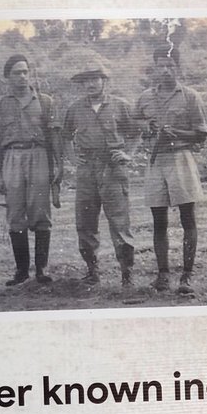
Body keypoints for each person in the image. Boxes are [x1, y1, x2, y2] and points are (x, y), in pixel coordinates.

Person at [134, 44, 207, 295]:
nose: (165, 71)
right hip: (157, 162)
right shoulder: (145, 97)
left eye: (170, 66)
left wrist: (176, 133)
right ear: (154, 68)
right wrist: (148, 128)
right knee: (159, 221)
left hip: (180, 158)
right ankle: (163, 274)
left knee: (188, 218)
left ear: (177, 68)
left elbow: (201, 134)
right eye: (160, 66)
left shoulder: (190, 96)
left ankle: (187, 275)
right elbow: (137, 126)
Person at [62, 62, 140, 287]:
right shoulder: (75, 108)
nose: (90, 84)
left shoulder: (120, 106)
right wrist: (72, 158)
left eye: (95, 79)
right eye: (85, 80)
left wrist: (128, 154)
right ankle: (92, 271)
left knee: (119, 222)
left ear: (104, 81)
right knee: (85, 221)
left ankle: (127, 274)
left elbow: (136, 133)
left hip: (113, 169)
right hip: (87, 169)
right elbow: (65, 136)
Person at [0, 54, 61, 285]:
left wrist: (57, 167)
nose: (22, 77)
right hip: (12, 157)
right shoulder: (1, 105)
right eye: (16, 73)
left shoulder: (45, 101)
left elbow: (53, 137)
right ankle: (21, 270)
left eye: (25, 72)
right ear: (7, 77)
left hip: (38, 155)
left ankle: (41, 269)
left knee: (41, 212)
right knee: (15, 214)